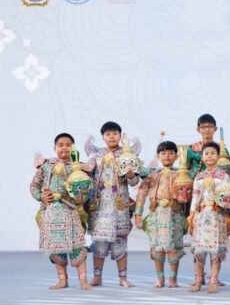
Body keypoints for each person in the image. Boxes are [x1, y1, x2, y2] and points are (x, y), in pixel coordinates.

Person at [30, 133, 91, 290]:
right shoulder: (46, 166)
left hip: (71, 211)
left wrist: (78, 197)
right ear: (54, 148)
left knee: (78, 247)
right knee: (56, 249)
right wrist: (41, 196)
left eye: (68, 145)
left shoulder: (79, 168)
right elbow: (34, 185)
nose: (64, 147)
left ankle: (83, 281)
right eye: (61, 145)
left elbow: (85, 192)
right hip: (51, 213)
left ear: (74, 148)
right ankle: (62, 280)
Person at [85, 121, 141, 287]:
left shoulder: (127, 155)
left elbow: (134, 182)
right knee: (99, 243)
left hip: (119, 205)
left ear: (120, 135)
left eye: (115, 133)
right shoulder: (96, 156)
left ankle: (123, 278)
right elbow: (87, 176)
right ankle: (97, 277)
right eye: (108, 134)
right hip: (100, 206)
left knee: (120, 242)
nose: (111, 137)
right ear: (103, 137)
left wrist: (130, 174)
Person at [134, 141, 187, 288]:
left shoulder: (181, 174)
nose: (167, 156)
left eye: (170, 153)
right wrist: (138, 215)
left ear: (176, 156)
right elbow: (141, 194)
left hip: (175, 214)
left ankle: (173, 279)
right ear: (158, 156)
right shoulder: (152, 174)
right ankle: (160, 278)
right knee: (157, 248)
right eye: (163, 153)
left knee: (174, 248)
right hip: (156, 215)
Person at [189, 142, 230, 293]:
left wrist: (227, 211)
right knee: (199, 250)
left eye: (213, 153)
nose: (209, 156)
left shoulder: (224, 176)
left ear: (218, 156)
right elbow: (195, 198)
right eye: (206, 153)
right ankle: (198, 280)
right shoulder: (199, 177)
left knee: (216, 250)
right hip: (201, 217)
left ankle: (213, 280)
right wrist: (192, 216)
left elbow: (229, 198)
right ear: (202, 157)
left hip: (218, 216)